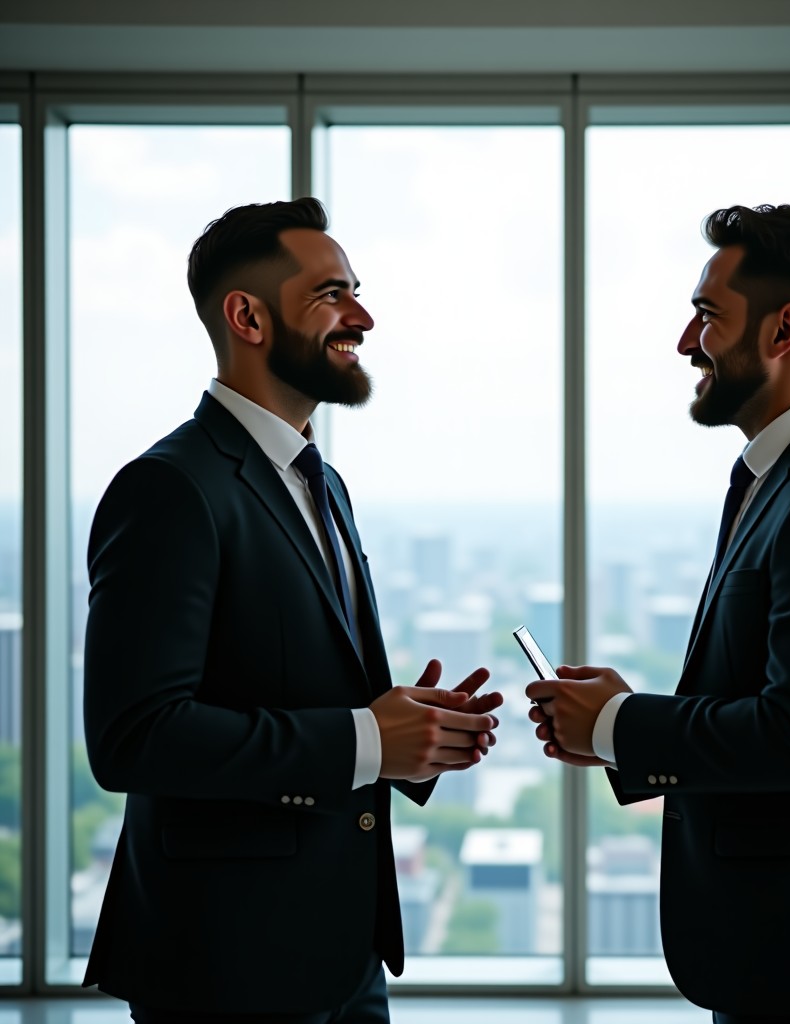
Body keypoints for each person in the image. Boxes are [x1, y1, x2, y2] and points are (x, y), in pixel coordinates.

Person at [82, 197, 502, 1023]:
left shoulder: (322, 483)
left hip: (345, 955)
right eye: (331, 295)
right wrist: (366, 738)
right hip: (227, 966)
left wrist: (410, 741)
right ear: (248, 317)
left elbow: (309, 695)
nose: (363, 318)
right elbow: (134, 737)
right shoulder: (169, 488)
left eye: (356, 293)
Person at [528, 205, 790, 1024]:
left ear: (784, 330)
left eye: (708, 315)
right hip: (789, 953)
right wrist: (619, 724)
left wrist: (617, 725)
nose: (687, 342)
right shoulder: (787, 480)